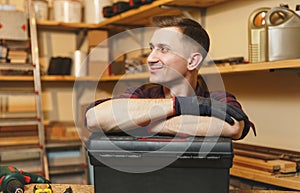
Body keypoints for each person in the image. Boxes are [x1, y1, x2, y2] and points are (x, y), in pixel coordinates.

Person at [85, 15, 255, 140]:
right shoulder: (141, 94)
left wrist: (146, 124)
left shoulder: (216, 98)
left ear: (192, 60)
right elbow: (94, 119)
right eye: (152, 48)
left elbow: (233, 127)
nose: (150, 58)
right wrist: (181, 105)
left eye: (164, 49)